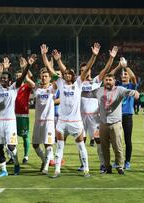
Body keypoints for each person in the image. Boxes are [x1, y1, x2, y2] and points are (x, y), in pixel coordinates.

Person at [41, 44, 90, 178]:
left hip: (75, 122)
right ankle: (57, 170)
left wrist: (95, 55)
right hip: (62, 122)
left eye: (70, 74)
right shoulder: (60, 82)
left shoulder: (78, 83)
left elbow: (87, 70)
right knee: (60, 147)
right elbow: (50, 69)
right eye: (66, 73)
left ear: (73, 75)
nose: (67, 75)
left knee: (81, 146)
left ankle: (86, 169)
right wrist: (44, 55)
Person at [84, 73, 139, 175]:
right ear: (104, 81)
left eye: (110, 80)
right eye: (106, 80)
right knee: (104, 148)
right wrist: (76, 91)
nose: (108, 82)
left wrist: (135, 93)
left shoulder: (119, 90)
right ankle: (107, 167)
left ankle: (120, 166)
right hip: (103, 123)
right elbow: (87, 94)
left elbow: (129, 92)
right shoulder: (99, 91)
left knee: (117, 147)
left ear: (114, 81)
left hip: (115, 123)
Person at [79, 44, 118, 173]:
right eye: (83, 70)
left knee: (98, 141)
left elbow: (106, 69)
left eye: (87, 69)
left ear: (90, 70)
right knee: (81, 141)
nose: (86, 71)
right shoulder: (78, 83)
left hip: (94, 117)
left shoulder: (96, 81)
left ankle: (102, 164)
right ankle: (83, 164)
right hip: (80, 117)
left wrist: (111, 58)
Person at [0, 55, 35, 177]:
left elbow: (22, 77)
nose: (3, 80)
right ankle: (4, 170)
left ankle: (16, 163)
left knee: (11, 146)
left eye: (5, 78)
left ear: (10, 81)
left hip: (11, 122)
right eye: (1, 78)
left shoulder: (13, 88)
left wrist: (28, 65)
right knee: (0, 147)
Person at [25, 63, 55, 175]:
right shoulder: (37, 88)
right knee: (35, 144)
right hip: (38, 121)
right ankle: (43, 160)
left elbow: (57, 78)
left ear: (50, 78)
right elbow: (27, 78)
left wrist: (48, 64)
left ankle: (46, 167)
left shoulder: (52, 88)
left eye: (46, 76)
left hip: (48, 121)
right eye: (42, 76)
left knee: (48, 144)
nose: (44, 78)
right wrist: (26, 66)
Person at [109, 57, 137, 170]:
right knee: (116, 140)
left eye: (126, 75)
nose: (124, 76)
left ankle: (127, 161)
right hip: (117, 116)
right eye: (123, 74)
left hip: (128, 116)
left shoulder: (131, 86)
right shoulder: (117, 86)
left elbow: (134, 77)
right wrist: (119, 67)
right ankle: (117, 161)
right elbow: (109, 76)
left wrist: (126, 67)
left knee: (127, 139)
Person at [11, 56, 33, 165]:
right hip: (13, 115)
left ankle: (26, 156)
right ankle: (12, 156)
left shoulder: (27, 86)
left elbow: (31, 78)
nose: (18, 78)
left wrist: (25, 67)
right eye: (17, 76)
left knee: (25, 136)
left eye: (20, 76)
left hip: (23, 115)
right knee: (11, 136)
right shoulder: (13, 87)